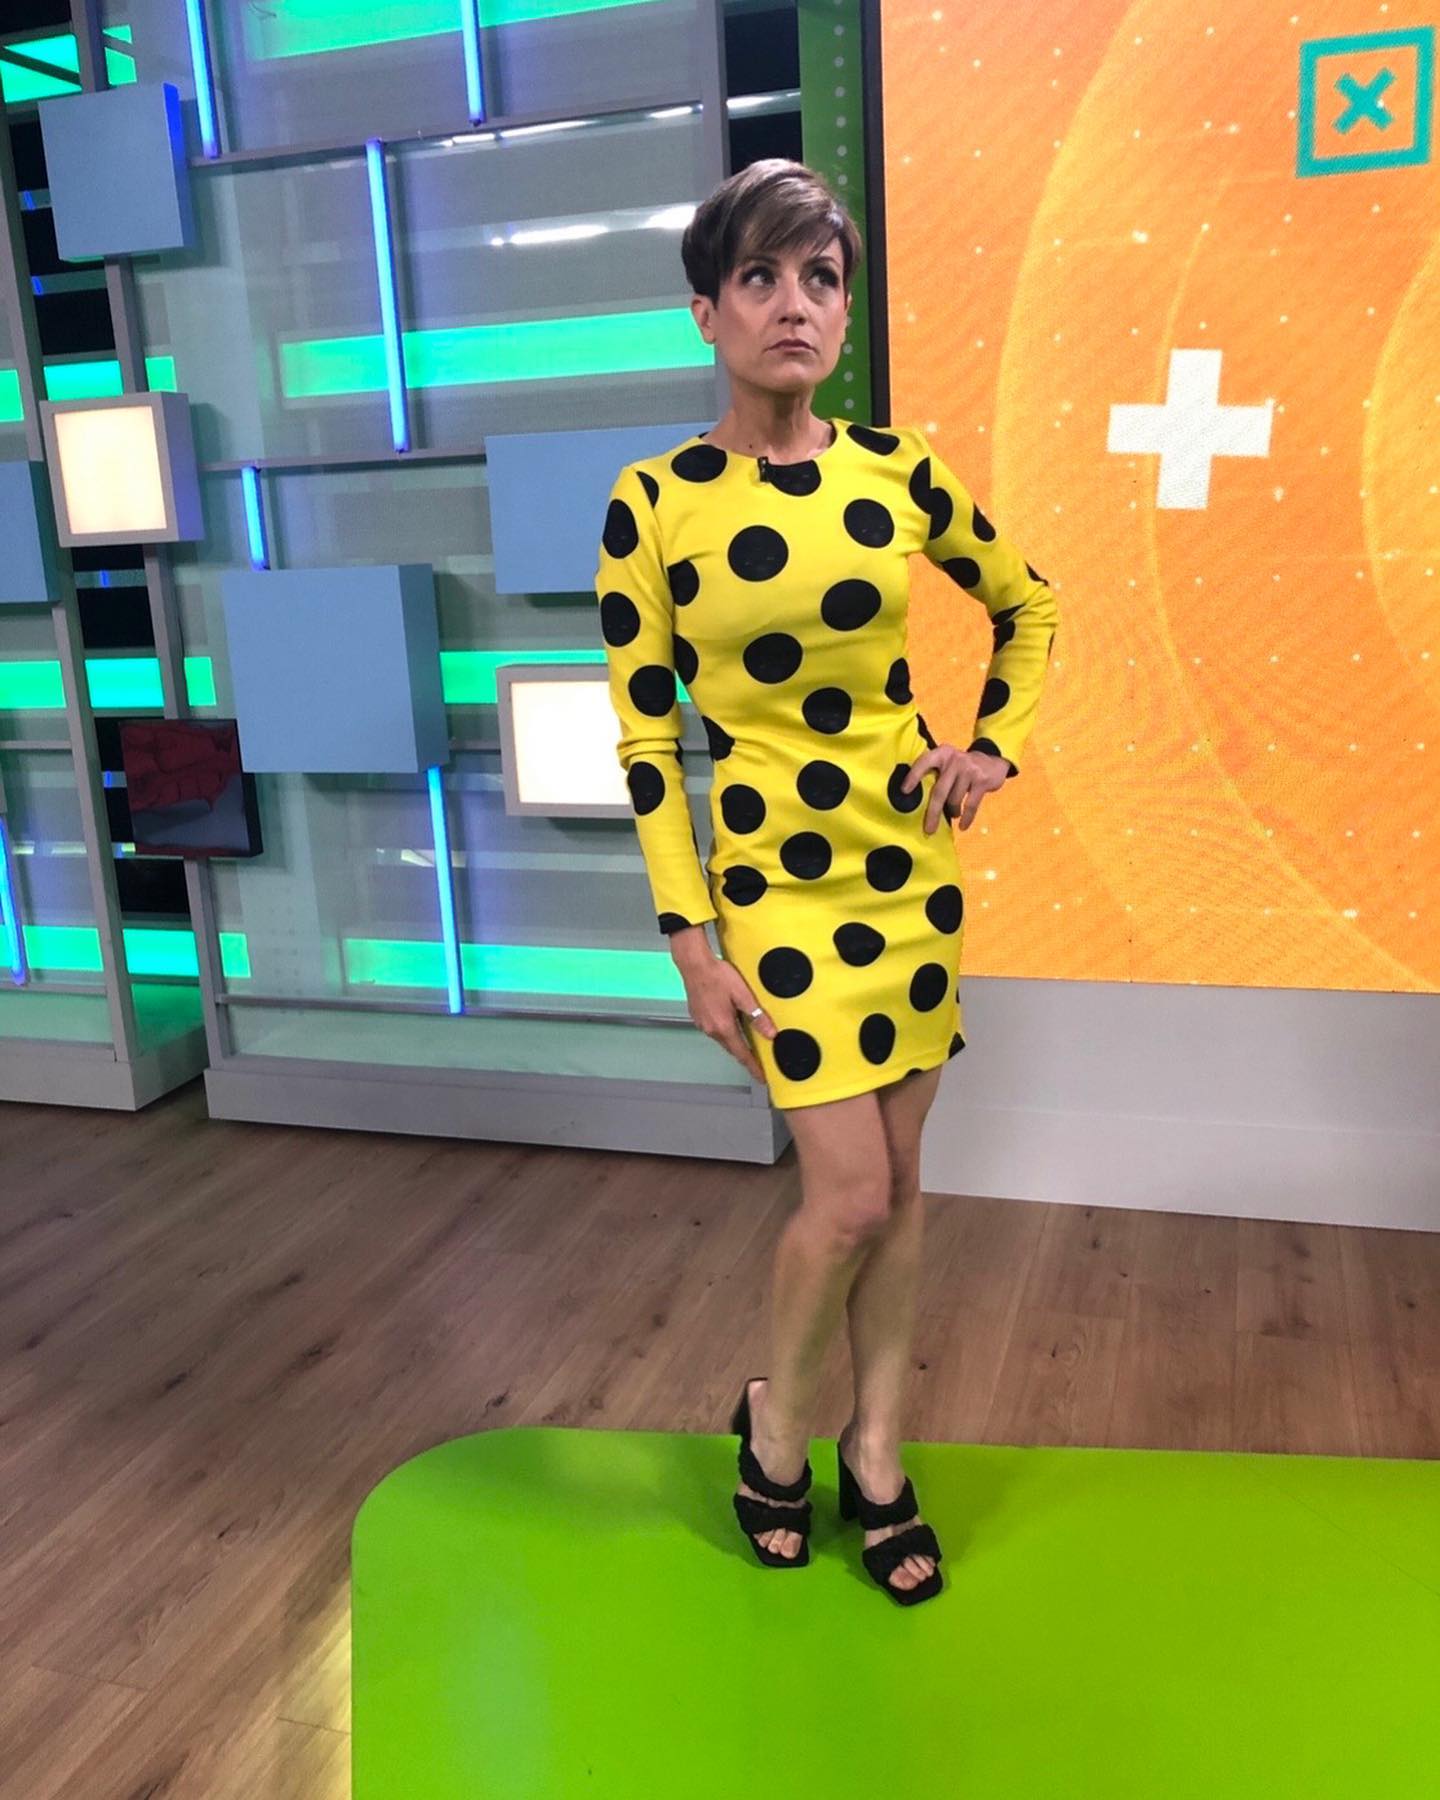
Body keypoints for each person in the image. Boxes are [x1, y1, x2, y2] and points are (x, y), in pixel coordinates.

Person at [594, 159, 1058, 1604]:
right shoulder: (650, 503)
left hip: (908, 877)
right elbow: (646, 737)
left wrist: (993, 747)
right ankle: (778, 1426)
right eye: (761, 277)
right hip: (774, 897)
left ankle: (878, 1448)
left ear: (844, 311)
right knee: (848, 1192)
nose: (794, 305)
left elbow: (1028, 604)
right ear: (707, 313)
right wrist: (689, 940)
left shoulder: (901, 471)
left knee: (904, 1184)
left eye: (822, 278)